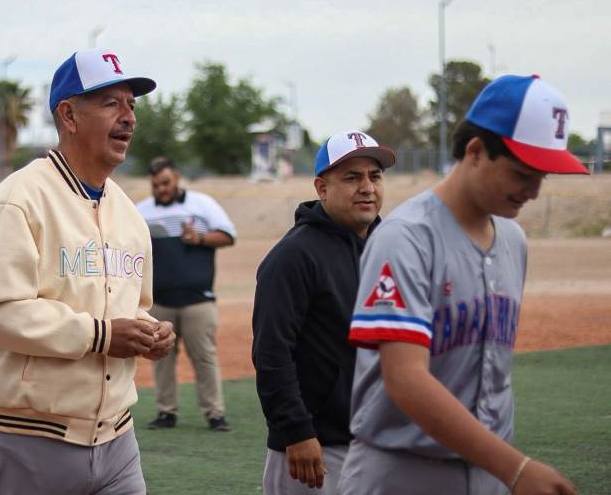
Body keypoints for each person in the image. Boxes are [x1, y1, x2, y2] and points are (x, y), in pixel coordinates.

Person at [341, 75, 582, 495]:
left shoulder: (513, 240)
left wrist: (502, 469)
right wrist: (517, 469)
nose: (534, 191)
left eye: (543, 176)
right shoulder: (407, 236)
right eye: (523, 173)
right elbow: (406, 381)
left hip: (489, 469)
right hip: (402, 472)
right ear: (475, 152)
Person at [0, 48, 175, 495]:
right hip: (27, 439)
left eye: (132, 105)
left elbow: (133, 309)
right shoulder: (16, 201)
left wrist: (150, 331)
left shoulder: (129, 215)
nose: (129, 118)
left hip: (118, 438)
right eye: (111, 103)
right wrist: (101, 334)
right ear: (69, 115)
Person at [252, 131, 395, 494]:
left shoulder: (390, 248)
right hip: (315, 450)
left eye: (374, 176)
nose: (367, 187)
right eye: (352, 177)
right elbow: (272, 353)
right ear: (322, 188)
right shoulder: (292, 257)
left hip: (378, 442)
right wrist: (297, 432)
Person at [136, 156, 236, 431]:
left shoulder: (203, 205)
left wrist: (200, 238)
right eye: (156, 185)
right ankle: (166, 413)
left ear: (177, 177)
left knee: (204, 357)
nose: (161, 189)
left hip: (198, 300)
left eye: (166, 183)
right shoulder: (140, 211)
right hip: (159, 302)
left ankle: (215, 413)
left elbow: (229, 236)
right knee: (161, 359)